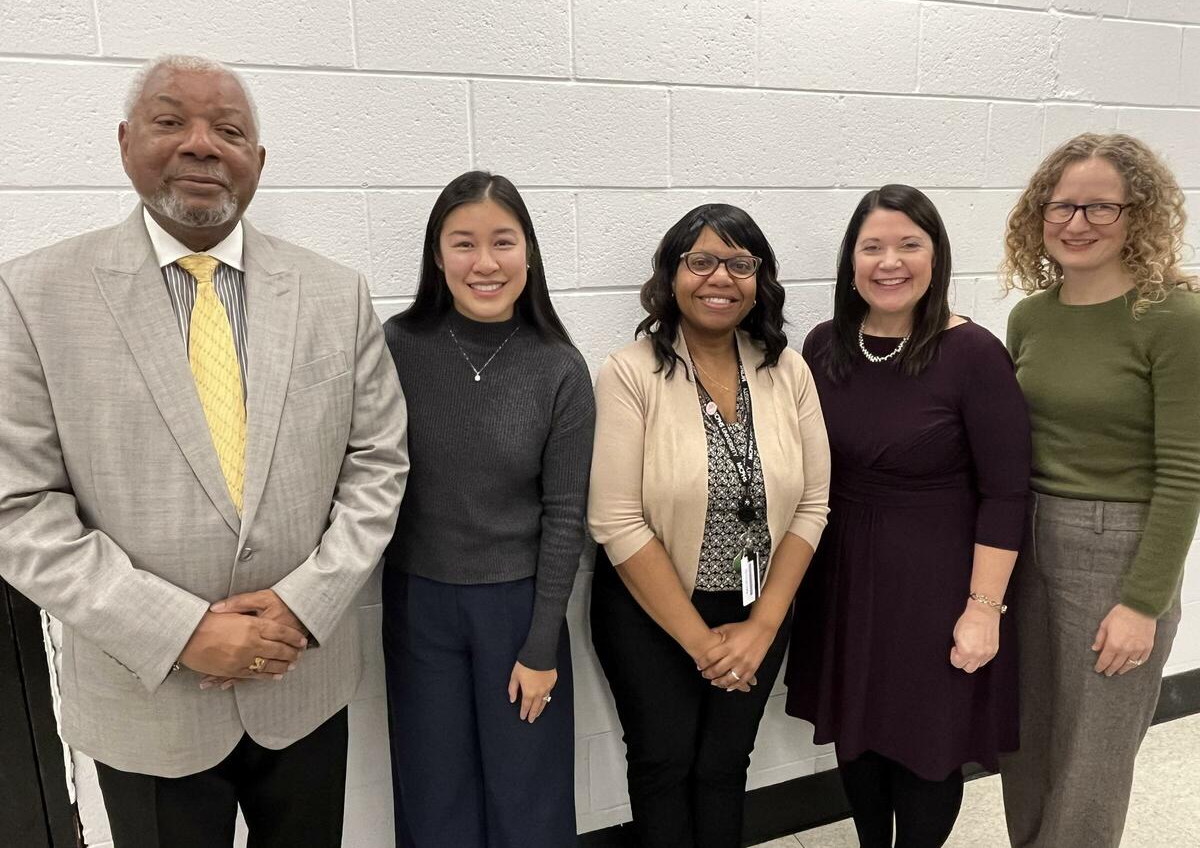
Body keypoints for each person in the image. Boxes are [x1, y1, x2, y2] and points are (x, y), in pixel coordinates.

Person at [0, 55, 408, 848]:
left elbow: (378, 464)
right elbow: (20, 507)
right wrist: (182, 630)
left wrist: (302, 605)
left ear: (258, 159)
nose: (201, 145)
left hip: (304, 683)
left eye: (228, 130)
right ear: (125, 142)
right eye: (169, 121)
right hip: (146, 701)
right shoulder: (32, 296)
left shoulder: (335, 291)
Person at [784, 184, 1031, 848]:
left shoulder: (973, 355)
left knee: (926, 742)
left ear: (936, 257)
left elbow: (1007, 492)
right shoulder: (822, 347)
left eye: (908, 245)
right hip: (841, 577)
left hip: (936, 584)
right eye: (873, 247)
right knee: (857, 733)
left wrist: (984, 607)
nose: (889, 262)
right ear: (851, 261)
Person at [588, 204, 830, 848]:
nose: (719, 277)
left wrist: (763, 626)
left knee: (726, 767)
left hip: (758, 605)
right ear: (671, 277)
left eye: (739, 263)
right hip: (650, 611)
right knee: (663, 764)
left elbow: (813, 503)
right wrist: (703, 644)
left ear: (760, 281)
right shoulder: (630, 372)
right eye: (700, 260)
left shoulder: (788, 370)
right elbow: (615, 519)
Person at [998, 133, 1200, 848]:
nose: (1076, 223)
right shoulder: (1031, 316)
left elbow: (1185, 470)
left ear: (1138, 215)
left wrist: (1142, 604)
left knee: (1092, 759)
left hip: (1117, 548)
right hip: (1027, 543)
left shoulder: (1173, 317)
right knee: (1025, 741)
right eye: (1062, 205)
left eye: (1100, 208)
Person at [382, 171, 594, 848]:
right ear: (436, 255)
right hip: (421, 604)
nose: (484, 262)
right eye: (463, 243)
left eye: (502, 242)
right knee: (434, 793)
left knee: (526, 798)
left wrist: (540, 645)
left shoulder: (559, 367)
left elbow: (565, 516)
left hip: (518, 610)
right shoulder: (395, 348)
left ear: (528, 253)